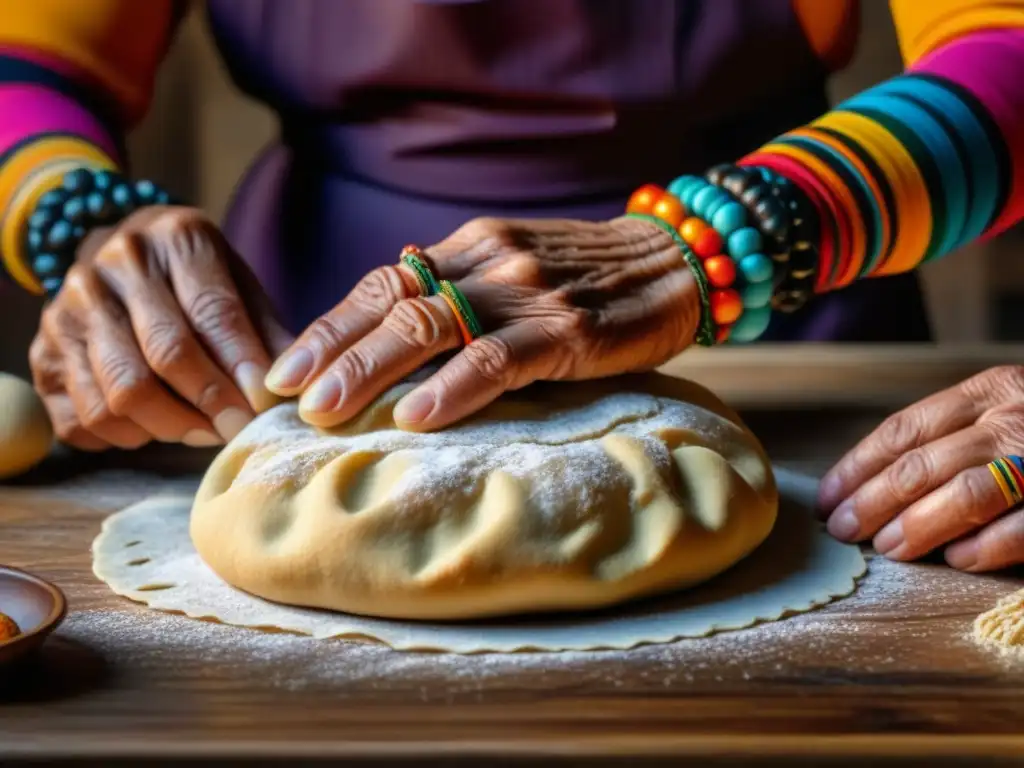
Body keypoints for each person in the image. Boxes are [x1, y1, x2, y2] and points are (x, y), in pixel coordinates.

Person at [2, 0, 1024, 570]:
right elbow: (28, 62)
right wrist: (75, 213)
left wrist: (726, 238)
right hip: (307, 346)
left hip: (790, 332)